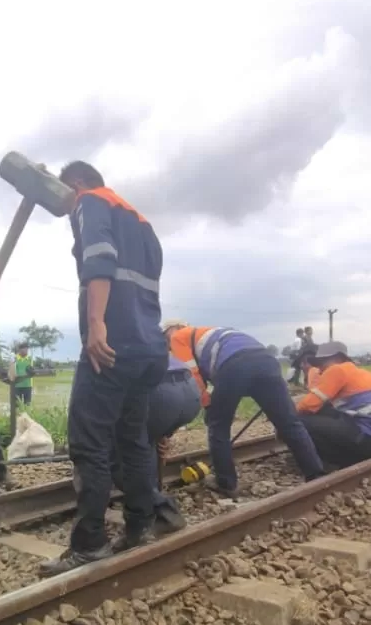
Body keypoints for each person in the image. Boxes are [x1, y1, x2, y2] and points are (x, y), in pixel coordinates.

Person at [39, 161, 169, 577]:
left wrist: (96, 324)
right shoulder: (141, 221)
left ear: (75, 184)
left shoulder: (90, 202)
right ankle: (140, 526)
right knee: (133, 441)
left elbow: (100, 260)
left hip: (112, 343)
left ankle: (89, 544)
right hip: (150, 346)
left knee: (88, 443)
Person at [166, 321, 323, 497]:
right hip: (266, 361)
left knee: (218, 425)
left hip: (235, 365)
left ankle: (226, 482)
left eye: (165, 337)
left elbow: (192, 374)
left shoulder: (178, 336)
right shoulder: (214, 332)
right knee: (289, 422)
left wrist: (208, 404)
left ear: (172, 330)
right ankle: (315, 474)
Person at [114, 354, 202, 533]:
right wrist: (164, 433)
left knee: (119, 454)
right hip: (191, 391)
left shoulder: (104, 345)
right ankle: (151, 494)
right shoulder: (147, 338)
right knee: (145, 440)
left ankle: (160, 508)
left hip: (159, 393)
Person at [296, 341, 371, 468]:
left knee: (299, 421)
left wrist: (287, 416)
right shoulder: (367, 375)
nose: (320, 369)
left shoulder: (337, 370)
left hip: (370, 438)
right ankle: (349, 457)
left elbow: (307, 406)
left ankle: (327, 462)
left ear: (338, 358)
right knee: (326, 413)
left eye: (322, 363)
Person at [9, 342, 34, 406]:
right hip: (17, 386)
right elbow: (12, 373)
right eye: (25, 349)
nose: (26, 351)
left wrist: (32, 373)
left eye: (27, 349)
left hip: (28, 385)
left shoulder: (30, 359)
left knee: (27, 405)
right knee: (17, 405)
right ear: (20, 350)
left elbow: (31, 372)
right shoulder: (14, 358)